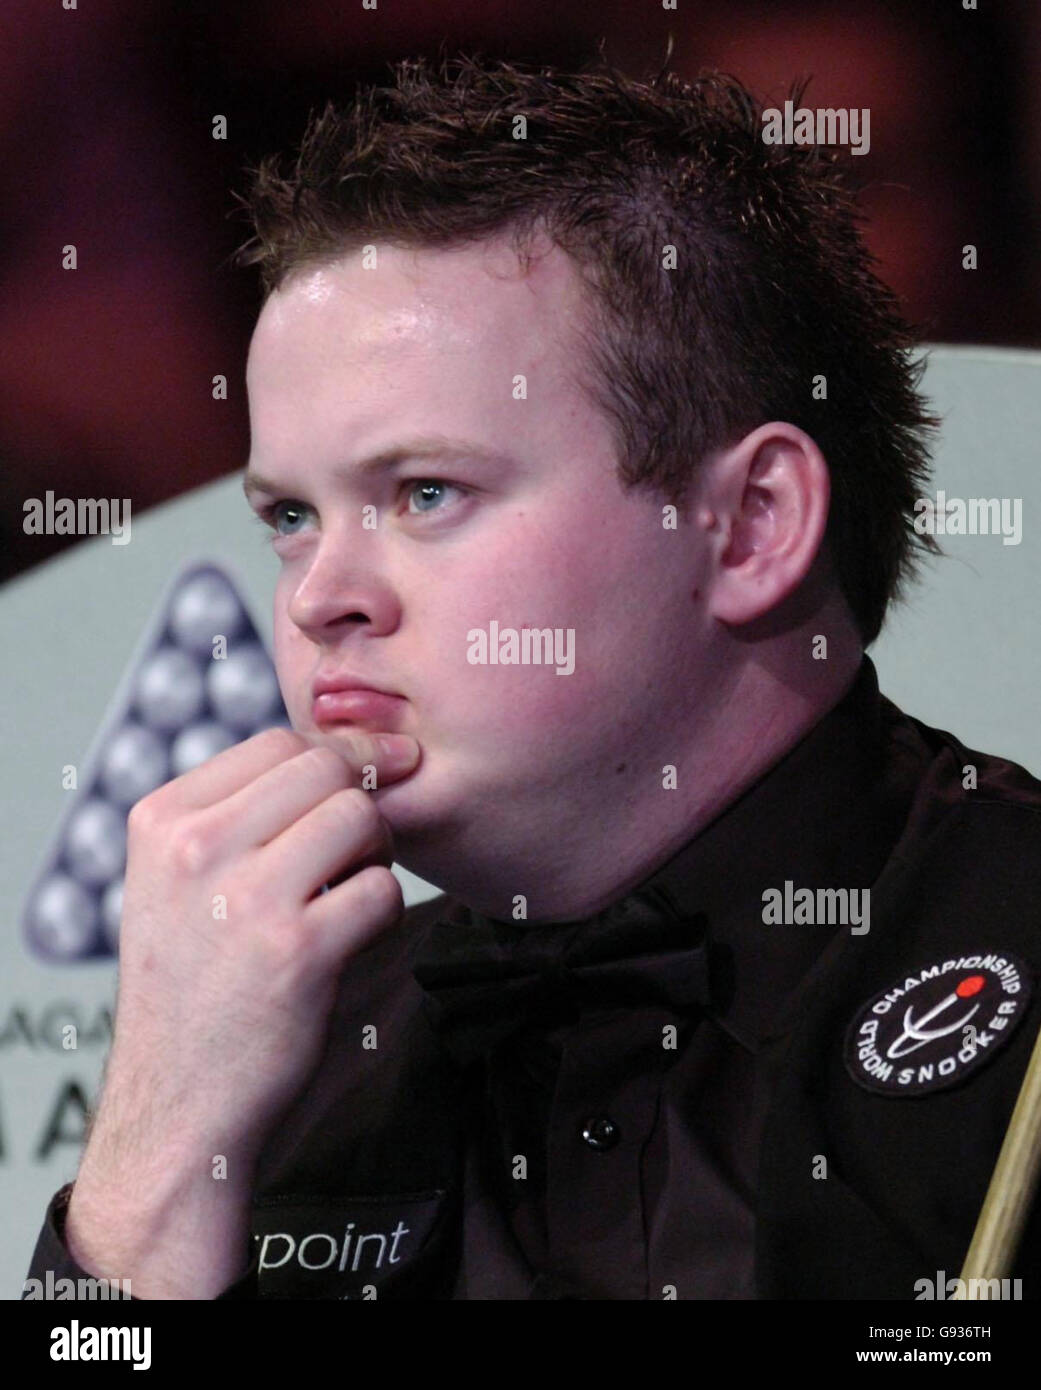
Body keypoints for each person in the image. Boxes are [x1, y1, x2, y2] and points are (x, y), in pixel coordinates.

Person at [23, 50, 1041, 1301]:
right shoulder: (270, 1043)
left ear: (753, 525)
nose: (316, 594)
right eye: (290, 514)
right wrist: (149, 1176)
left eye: (427, 493)